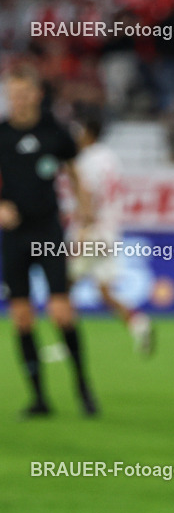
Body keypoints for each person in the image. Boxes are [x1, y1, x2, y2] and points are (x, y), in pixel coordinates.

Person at [0, 63, 98, 416]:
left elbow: (74, 173)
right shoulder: (2, 134)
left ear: (37, 95)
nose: (18, 100)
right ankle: (39, 398)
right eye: (13, 95)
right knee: (22, 317)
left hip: (47, 231)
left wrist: (85, 215)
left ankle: (83, 388)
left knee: (60, 312)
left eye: (24, 94)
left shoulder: (53, 132)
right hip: (14, 235)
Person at [69, 114, 154, 355]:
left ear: (88, 132)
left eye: (79, 130)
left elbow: (88, 195)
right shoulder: (110, 157)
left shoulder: (85, 160)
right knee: (105, 290)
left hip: (92, 230)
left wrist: (82, 231)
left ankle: (67, 341)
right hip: (110, 230)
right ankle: (139, 323)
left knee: (63, 286)